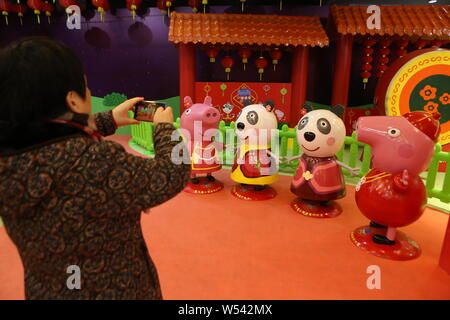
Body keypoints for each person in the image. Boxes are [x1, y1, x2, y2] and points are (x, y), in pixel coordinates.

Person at [0, 37, 191, 299]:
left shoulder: (8, 165)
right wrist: (165, 129)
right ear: (73, 101)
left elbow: (48, 139)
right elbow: (172, 172)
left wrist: (109, 120)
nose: (89, 95)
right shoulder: (96, 163)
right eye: (86, 88)